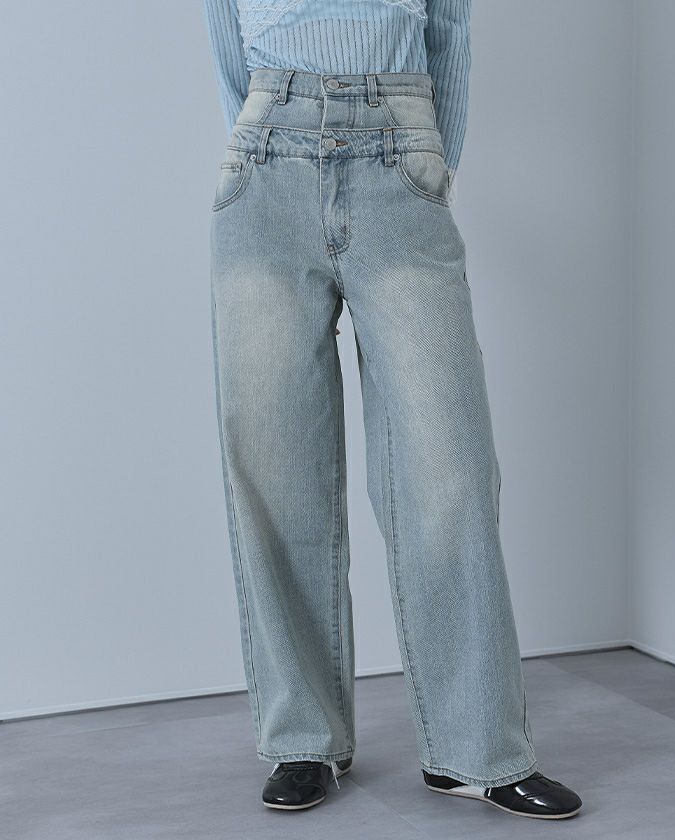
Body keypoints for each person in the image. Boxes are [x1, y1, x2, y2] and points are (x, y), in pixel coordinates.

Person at [203, 0, 583, 819]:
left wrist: (429, 162)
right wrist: (265, 133)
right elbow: (224, 40)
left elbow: (449, 32)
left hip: (400, 155)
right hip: (266, 161)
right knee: (275, 471)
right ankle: (304, 740)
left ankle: (475, 750)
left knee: (450, 470)